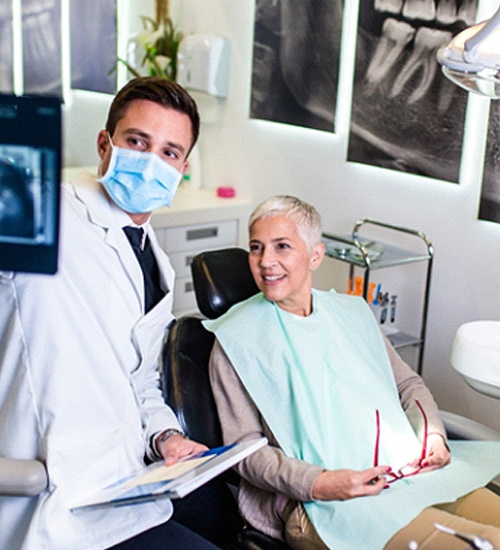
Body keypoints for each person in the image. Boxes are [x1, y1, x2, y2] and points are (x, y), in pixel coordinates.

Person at [0, 76, 242, 550]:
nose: (152, 162)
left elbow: (139, 377)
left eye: (169, 152)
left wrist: (166, 437)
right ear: (104, 145)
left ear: (183, 167)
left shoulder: (156, 260)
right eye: (137, 142)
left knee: (227, 519)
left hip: (127, 473)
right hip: (58, 482)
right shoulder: (49, 212)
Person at [205, 195, 500, 549]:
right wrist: (321, 483)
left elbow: (407, 384)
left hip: (408, 473)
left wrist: (431, 434)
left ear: (315, 255)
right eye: (256, 248)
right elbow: (246, 452)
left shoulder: (351, 313)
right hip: (325, 505)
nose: (266, 261)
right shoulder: (235, 340)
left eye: (282, 246)